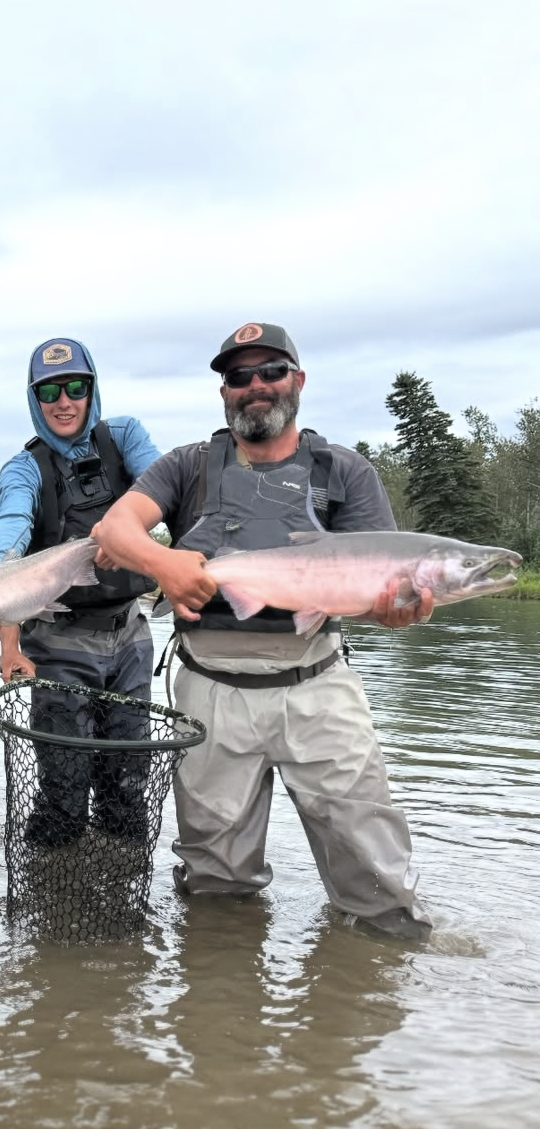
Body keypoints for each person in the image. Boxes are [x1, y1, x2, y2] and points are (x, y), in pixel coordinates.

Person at [90, 321, 435, 939]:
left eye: (270, 372)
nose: (255, 386)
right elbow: (114, 532)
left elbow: (379, 588)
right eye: (238, 377)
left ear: (296, 381)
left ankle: (378, 988)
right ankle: (223, 1006)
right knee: (215, 883)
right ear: (224, 391)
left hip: (317, 683)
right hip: (209, 688)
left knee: (377, 881)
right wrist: (166, 563)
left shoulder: (344, 471)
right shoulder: (187, 466)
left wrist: (394, 610)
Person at [0, 338, 163, 847]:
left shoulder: (125, 436)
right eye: (49, 391)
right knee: (64, 784)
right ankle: (52, 892)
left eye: (75, 387)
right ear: (35, 400)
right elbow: (10, 522)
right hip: (58, 642)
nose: (63, 401)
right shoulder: (24, 467)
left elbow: (163, 487)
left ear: (91, 388)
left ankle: (122, 884)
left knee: (128, 780)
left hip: (130, 636)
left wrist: (125, 529)